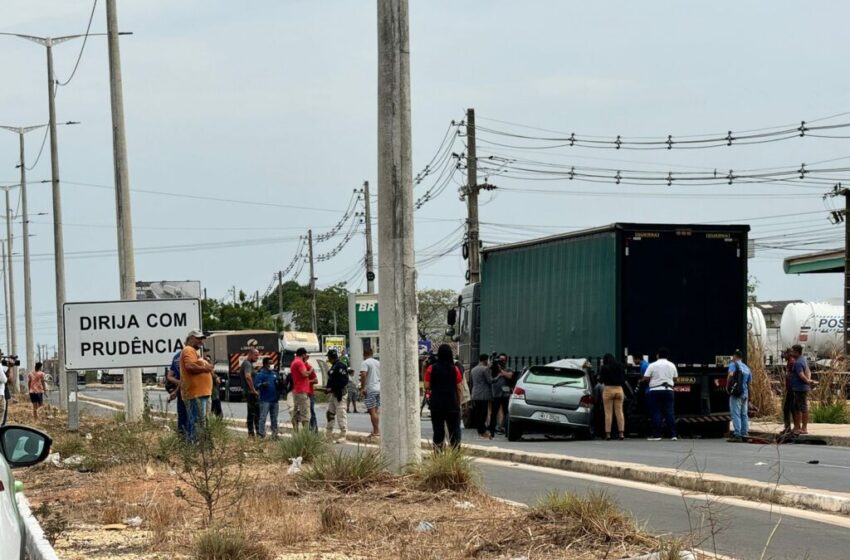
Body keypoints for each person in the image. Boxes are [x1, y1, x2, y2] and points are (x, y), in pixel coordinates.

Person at [425, 344, 464, 449]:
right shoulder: (455, 369)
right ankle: (455, 455)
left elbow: (427, 385)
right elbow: (460, 387)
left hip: (437, 404)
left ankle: (438, 455)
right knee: (454, 431)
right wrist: (459, 402)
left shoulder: (431, 368)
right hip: (452, 404)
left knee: (438, 431)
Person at [179, 329, 214, 441]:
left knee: (198, 421)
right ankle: (192, 446)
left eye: (202, 339)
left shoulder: (194, 352)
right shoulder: (188, 349)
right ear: (190, 338)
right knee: (196, 421)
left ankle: (196, 445)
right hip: (195, 394)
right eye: (198, 338)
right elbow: (189, 367)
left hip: (199, 393)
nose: (201, 341)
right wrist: (206, 368)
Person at [642, 348, 678, 441]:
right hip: (669, 390)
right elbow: (675, 378)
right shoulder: (672, 365)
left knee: (656, 412)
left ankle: (657, 435)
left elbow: (646, 377)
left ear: (658, 355)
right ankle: (673, 435)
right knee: (669, 412)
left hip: (655, 390)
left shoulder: (652, 365)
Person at [324, 349, 349, 443]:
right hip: (333, 394)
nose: (328, 359)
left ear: (331, 357)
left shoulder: (341, 366)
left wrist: (332, 388)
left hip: (340, 394)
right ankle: (328, 435)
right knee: (330, 413)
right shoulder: (334, 366)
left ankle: (343, 435)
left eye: (328, 357)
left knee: (341, 414)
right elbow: (331, 380)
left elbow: (344, 381)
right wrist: (327, 388)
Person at [727, 350, 753, 442]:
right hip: (745, 393)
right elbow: (749, 384)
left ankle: (737, 434)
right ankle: (744, 433)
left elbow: (730, 376)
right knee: (744, 414)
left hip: (736, 393)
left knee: (736, 413)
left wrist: (728, 388)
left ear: (735, 356)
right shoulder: (747, 368)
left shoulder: (733, 365)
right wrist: (750, 398)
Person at [599, 353, 626, 440]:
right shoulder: (620, 366)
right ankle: (621, 433)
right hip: (619, 389)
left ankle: (608, 434)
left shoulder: (604, 367)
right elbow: (624, 378)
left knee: (608, 413)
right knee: (619, 412)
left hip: (608, 389)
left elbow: (601, 380)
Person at [790, 344, 814, 435]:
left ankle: (804, 428)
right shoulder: (803, 360)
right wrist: (809, 379)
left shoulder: (798, 362)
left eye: (792, 351)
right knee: (797, 408)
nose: (791, 353)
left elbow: (801, 375)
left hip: (800, 388)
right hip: (799, 388)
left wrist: (807, 380)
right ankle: (797, 427)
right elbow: (808, 371)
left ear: (796, 352)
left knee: (803, 408)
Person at [469, 354, 494, 438]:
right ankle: (482, 430)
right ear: (485, 360)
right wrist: (498, 376)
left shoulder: (473, 369)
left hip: (475, 393)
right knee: (483, 413)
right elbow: (490, 381)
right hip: (483, 394)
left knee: (478, 412)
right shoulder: (485, 369)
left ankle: (479, 429)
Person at [489, 354, 514, 435]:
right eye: (500, 359)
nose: (501, 361)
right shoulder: (493, 369)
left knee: (507, 412)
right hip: (496, 394)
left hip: (505, 395)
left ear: (506, 361)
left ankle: (507, 430)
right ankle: (492, 431)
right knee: (494, 413)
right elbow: (489, 376)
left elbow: (510, 376)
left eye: (503, 360)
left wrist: (502, 372)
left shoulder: (508, 368)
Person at [254, 357, 280, 438]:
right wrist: (262, 385)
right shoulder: (260, 374)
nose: (272, 365)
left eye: (272, 363)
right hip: (265, 400)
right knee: (263, 417)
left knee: (274, 418)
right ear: (265, 364)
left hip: (274, 400)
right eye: (270, 363)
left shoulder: (274, 374)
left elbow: (278, 384)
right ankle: (261, 434)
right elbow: (256, 386)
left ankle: (274, 434)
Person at [167, 350, 189, 439]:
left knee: (182, 417)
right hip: (193, 391)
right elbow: (186, 378)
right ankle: (191, 441)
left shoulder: (176, 357)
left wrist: (177, 387)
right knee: (193, 417)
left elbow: (169, 376)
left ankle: (182, 439)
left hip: (181, 391)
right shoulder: (189, 356)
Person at [359, 347, 381, 439]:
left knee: (372, 411)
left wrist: (363, 387)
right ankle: (375, 430)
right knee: (375, 411)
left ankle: (376, 431)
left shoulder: (365, 363)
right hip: (379, 388)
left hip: (370, 388)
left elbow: (364, 375)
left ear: (364, 354)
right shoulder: (378, 362)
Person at [290, 348, 313, 430]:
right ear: (303, 354)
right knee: (305, 413)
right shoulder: (299, 362)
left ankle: (296, 432)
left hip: (297, 390)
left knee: (296, 412)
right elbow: (304, 374)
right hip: (302, 391)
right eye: (305, 355)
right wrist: (310, 370)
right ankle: (305, 434)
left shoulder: (294, 362)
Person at [241, 348, 260, 437]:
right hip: (250, 393)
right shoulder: (247, 363)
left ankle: (254, 433)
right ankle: (252, 433)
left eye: (258, 355)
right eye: (256, 355)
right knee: (253, 413)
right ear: (250, 354)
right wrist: (253, 390)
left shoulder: (249, 364)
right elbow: (248, 376)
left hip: (250, 392)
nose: (257, 357)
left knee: (254, 413)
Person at [781, 349, 796, 435]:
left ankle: (788, 428)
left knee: (787, 409)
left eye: (785, 354)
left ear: (789, 354)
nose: (784, 356)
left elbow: (792, 375)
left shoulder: (791, 362)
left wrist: (786, 376)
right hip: (790, 388)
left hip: (792, 389)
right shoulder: (789, 362)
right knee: (792, 409)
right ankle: (790, 427)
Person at [207, 353, 223, 418]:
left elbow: (218, 381)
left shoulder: (212, 372)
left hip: (214, 395)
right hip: (209, 395)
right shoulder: (208, 371)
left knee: (218, 414)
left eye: (209, 361)